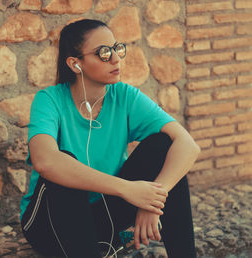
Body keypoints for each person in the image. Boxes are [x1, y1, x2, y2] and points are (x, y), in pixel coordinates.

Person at [20, 19, 200, 258]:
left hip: (103, 214)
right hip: (49, 222)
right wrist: (128, 189)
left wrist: (154, 199)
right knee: (63, 163)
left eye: (117, 48)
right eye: (103, 53)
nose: (116, 58)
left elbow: (188, 145)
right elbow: (45, 161)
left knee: (163, 145)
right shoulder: (49, 100)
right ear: (76, 64)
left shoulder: (124, 96)